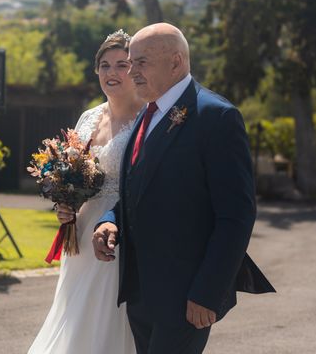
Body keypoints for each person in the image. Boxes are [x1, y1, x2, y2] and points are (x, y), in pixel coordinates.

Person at [93, 23, 275, 354]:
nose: (132, 71)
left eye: (141, 62)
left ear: (176, 62)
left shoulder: (216, 118)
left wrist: (208, 293)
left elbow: (236, 216)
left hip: (187, 295)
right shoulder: (147, 115)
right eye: (130, 62)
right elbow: (139, 189)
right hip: (140, 291)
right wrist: (109, 220)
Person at [28, 30, 144, 354]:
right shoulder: (88, 118)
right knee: (74, 310)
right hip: (79, 230)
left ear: (135, 69)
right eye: (105, 65)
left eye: (122, 65)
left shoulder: (147, 120)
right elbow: (74, 171)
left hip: (117, 230)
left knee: (109, 314)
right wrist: (65, 204)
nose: (112, 73)